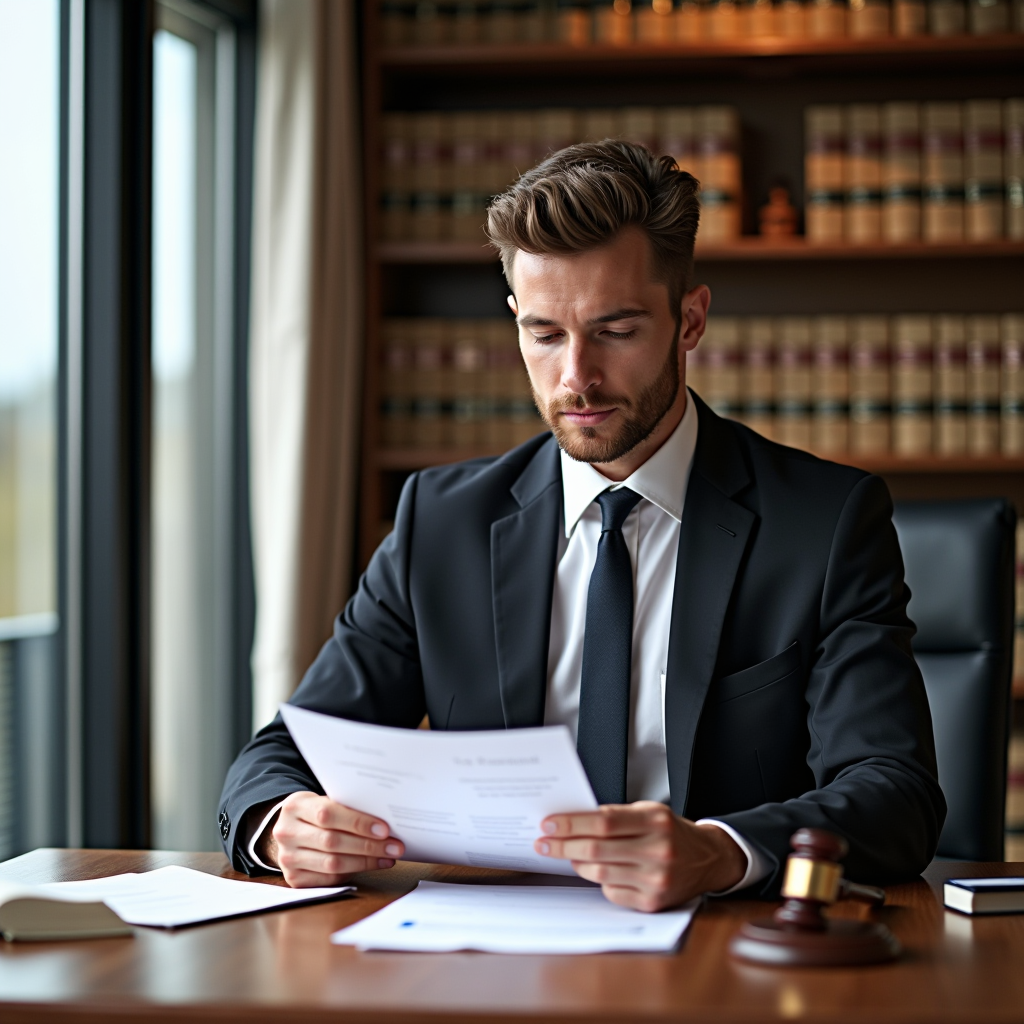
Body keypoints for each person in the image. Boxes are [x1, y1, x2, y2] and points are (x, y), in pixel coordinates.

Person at [218, 141, 945, 912]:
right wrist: (279, 825)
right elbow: (281, 755)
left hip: (727, 953)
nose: (577, 378)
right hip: (488, 953)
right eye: (545, 334)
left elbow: (894, 794)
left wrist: (720, 851)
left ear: (690, 319)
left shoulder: (825, 523)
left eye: (617, 330)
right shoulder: (442, 524)